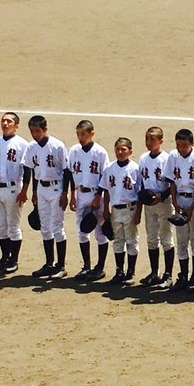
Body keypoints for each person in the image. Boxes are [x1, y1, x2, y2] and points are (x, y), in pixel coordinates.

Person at [19, 115, 69, 279]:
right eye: (32, 131)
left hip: (56, 188)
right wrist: (33, 192)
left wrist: (64, 193)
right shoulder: (31, 147)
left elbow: (67, 171)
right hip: (41, 188)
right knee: (45, 228)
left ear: (45, 129)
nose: (35, 134)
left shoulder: (57, 146)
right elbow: (32, 170)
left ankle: (61, 266)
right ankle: (49, 264)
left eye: (38, 131)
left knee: (57, 227)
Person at [0, 112, 30, 274]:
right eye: (3, 121)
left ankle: (14, 260)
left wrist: (24, 191)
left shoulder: (23, 144)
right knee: (1, 226)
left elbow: (28, 169)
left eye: (9, 121)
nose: (5, 123)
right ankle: (4, 257)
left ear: (16, 126)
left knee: (13, 226)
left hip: (13, 188)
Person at [64, 120, 111, 281]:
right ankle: (86, 266)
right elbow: (70, 174)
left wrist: (98, 197)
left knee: (100, 232)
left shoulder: (100, 152)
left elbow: (104, 177)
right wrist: (72, 195)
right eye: (78, 134)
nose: (80, 137)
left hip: (96, 195)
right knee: (82, 231)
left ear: (92, 133)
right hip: (80, 194)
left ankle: (100, 267)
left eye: (83, 134)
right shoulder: (74, 151)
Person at [163, 128, 194, 291]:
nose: (181, 148)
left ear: (192, 144)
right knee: (181, 240)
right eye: (178, 144)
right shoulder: (173, 156)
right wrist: (175, 201)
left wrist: (193, 206)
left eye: (184, 145)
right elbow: (172, 181)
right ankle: (183, 276)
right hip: (180, 199)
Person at [135, 126, 176, 288]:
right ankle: (154, 273)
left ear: (161, 141)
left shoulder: (167, 159)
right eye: (147, 139)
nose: (149, 142)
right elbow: (141, 184)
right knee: (151, 239)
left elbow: (172, 183)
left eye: (153, 139)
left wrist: (162, 197)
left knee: (166, 238)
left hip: (164, 204)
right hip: (148, 205)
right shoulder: (143, 158)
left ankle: (168, 275)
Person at [101, 137, 141, 284]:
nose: (120, 152)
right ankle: (119, 270)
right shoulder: (109, 168)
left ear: (130, 151)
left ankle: (130, 272)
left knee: (131, 241)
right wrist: (105, 209)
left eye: (123, 149)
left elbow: (140, 194)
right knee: (118, 241)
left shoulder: (135, 168)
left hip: (130, 208)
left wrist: (138, 213)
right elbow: (105, 190)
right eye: (117, 149)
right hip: (115, 209)